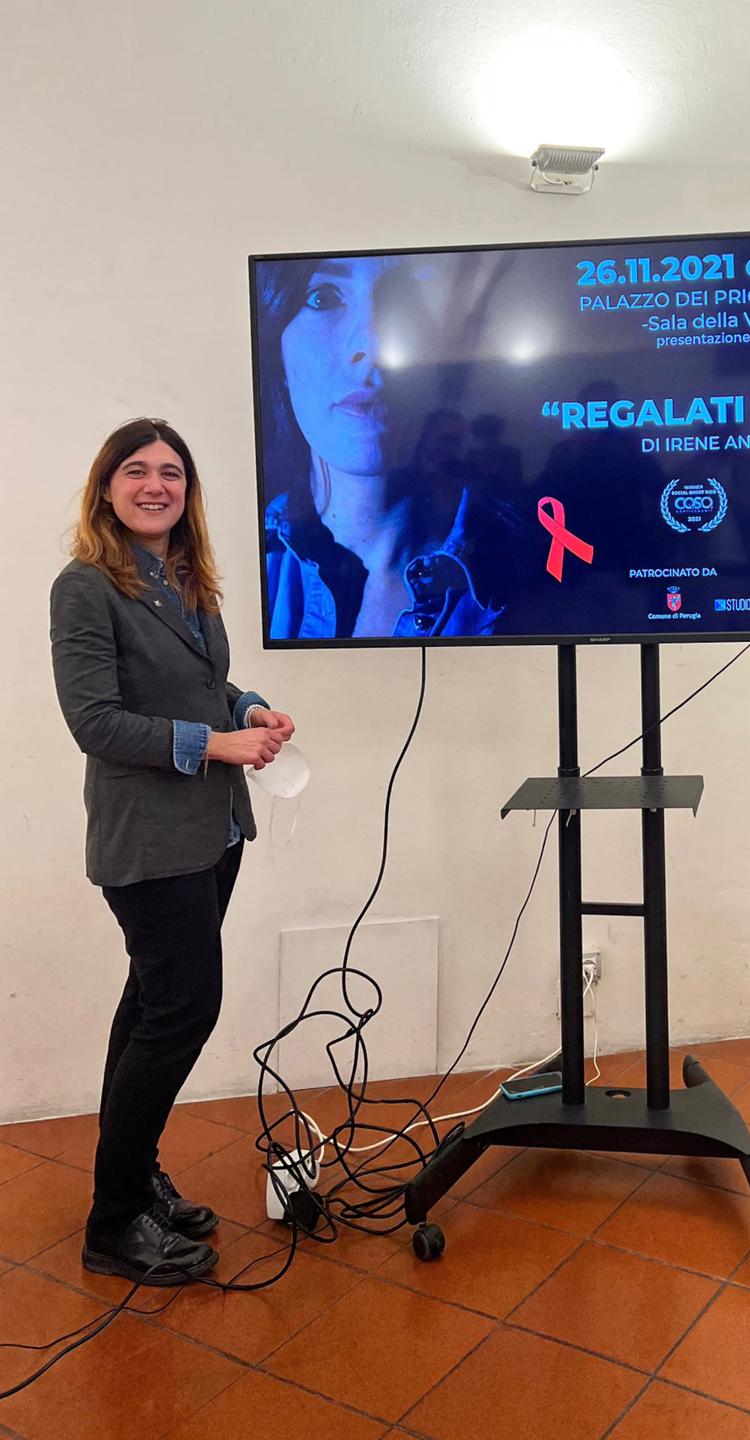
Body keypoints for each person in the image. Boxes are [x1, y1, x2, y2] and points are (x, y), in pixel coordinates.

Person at [50, 418, 296, 1285]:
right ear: (106, 486)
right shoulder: (84, 587)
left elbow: (202, 682)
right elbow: (96, 722)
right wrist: (216, 743)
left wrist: (249, 707)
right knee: (181, 1013)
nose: (155, 485)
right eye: (136, 470)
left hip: (212, 831)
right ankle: (114, 1222)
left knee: (151, 1006)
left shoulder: (188, 577)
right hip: (148, 840)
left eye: (172, 473)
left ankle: (133, 1176)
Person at [256, 254, 525, 639]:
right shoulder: (243, 563)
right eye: (323, 297)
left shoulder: (524, 575)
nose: (372, 345)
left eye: (404, 302)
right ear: (276, 352)